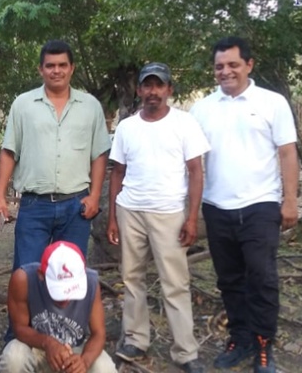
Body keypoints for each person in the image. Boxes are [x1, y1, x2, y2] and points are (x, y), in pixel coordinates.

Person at [189, 37, 298, 373]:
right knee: (229, 278)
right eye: (219, 66)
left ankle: (265, 345)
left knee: (262, 276)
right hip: (217, 206)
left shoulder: (272, 102)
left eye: (233, 64)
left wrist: (290, 200)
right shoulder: (202, 108)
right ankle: (240, 338)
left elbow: (287, 152)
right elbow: (191, 160)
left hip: (260, 205)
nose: (226, 71)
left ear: (249, 65)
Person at [106, 63, 207, 373]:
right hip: (130, 210)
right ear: (139, 90)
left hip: (169, 213)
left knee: (175, 283)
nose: (153, 91)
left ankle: (186, 353)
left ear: (169, 90)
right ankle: (136, 339)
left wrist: (192, 218)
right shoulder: (127, 127)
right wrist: (112, 216)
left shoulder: (184, 123)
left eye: (158, 85)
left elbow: (195, 171)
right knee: (132, 278)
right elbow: (117, 173)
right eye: (147, 86)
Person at [0, 39, 111, 269]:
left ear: (72, 68)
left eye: (62, 65)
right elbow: (8, 152)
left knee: (70, 275)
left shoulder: (90, 106)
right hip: (34, 205)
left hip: (76, 206)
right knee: (26, 273)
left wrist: (95, 196)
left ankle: (60, 308)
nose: (56, 71)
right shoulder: (23, 104)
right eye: (50, 66)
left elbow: (99, 155)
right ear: (41, 69)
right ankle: (32, 307)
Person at [0, 240, 117, 373]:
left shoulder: (91, 282)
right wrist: (48, 343)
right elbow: (19, 328)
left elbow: (99, 333)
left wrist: (84, 361)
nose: (65, 299)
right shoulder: (23, 279)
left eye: (71, 290)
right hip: (35, 347)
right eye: (59, 292)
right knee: (14, 358)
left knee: (105, 368)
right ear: (41, 275)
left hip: (74, 350)